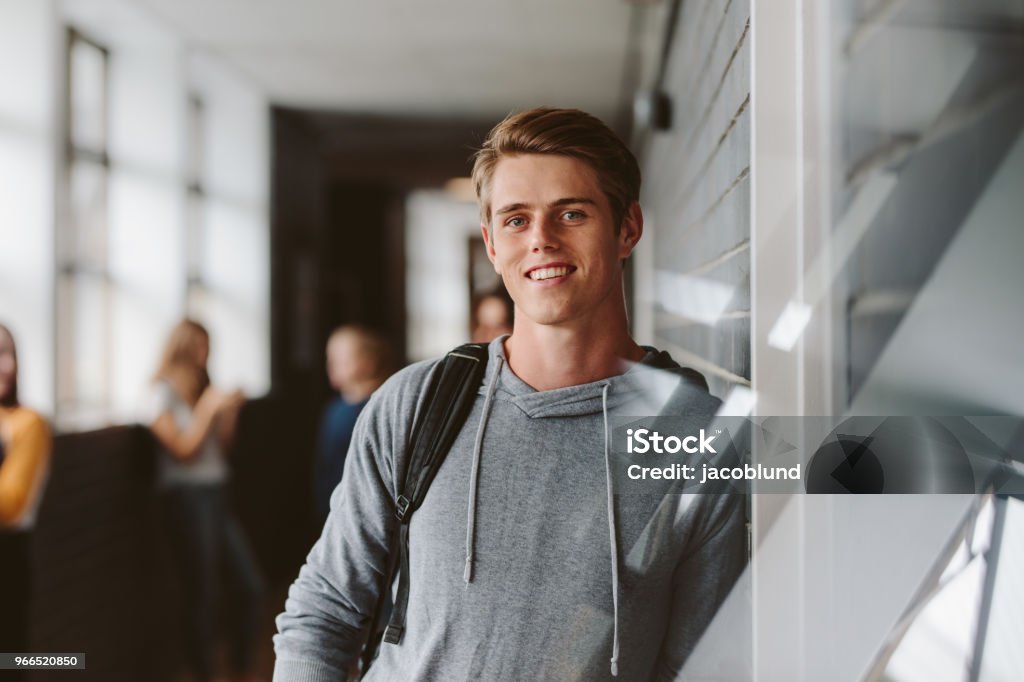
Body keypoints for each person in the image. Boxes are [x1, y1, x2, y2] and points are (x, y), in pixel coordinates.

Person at [273, 108, 745, 680]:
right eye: (516, 220)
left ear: (627, 228)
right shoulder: (414, 404)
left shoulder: (700, 439)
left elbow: (701, 665)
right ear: (492, 243)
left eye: (571, 213)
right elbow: (323, 611)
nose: (541, 240)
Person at [148, 319, 265, 682]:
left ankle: (241, 669)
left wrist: (229, 415)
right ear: (181, 347)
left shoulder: (204, 388)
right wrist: (208, 410)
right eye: (199, 346)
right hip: (185, 497)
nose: (205, 355)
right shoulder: (158, 392)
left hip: (216, 493)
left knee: (250, 585)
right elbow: (183, 451)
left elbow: (222, 451)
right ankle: (204, 673)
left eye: (208, 346)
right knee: (202, 591)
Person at [0, 323, 52, 672]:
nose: (4, 365)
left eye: (7, 354)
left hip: (8, 560)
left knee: (12, 659)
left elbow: (11, 504)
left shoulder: (29, 423)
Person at [313, 325, 394, 527]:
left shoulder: (383, 406)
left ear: (368, 362)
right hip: (332, 510)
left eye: (342, 358)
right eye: (329, 357)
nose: (331, 364)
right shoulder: (335, 408)